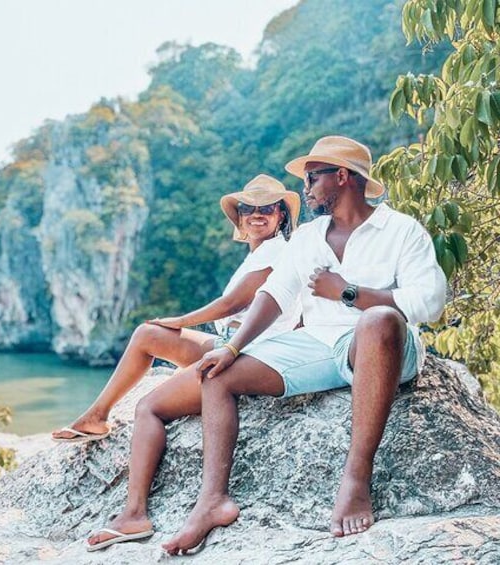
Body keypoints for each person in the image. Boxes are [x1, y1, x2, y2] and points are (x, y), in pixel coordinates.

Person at [161, 136, 448, 555]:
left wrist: (348, 292)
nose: (305, 188)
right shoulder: (309, 236)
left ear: (344, 177)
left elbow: (430, 301)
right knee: (218, 374)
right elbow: (275, 293)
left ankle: (356, 477)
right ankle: (212, 501)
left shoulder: (400, 230)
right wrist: (233, 348)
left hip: (382, 348)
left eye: (313, 177)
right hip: (318, 344)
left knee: (379, 319)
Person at [51, 174, 302, 551]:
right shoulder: (259, 252)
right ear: (239, 216)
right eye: (249, 208)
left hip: (250, 354)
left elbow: (232, 304)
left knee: (149, 407)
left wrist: (180, 321)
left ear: (281, 214)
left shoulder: (279, 252)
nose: (256, 215)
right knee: (145, 335)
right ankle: (97, 415)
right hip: (227, 343)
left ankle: (134, 513)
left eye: (267, 208)